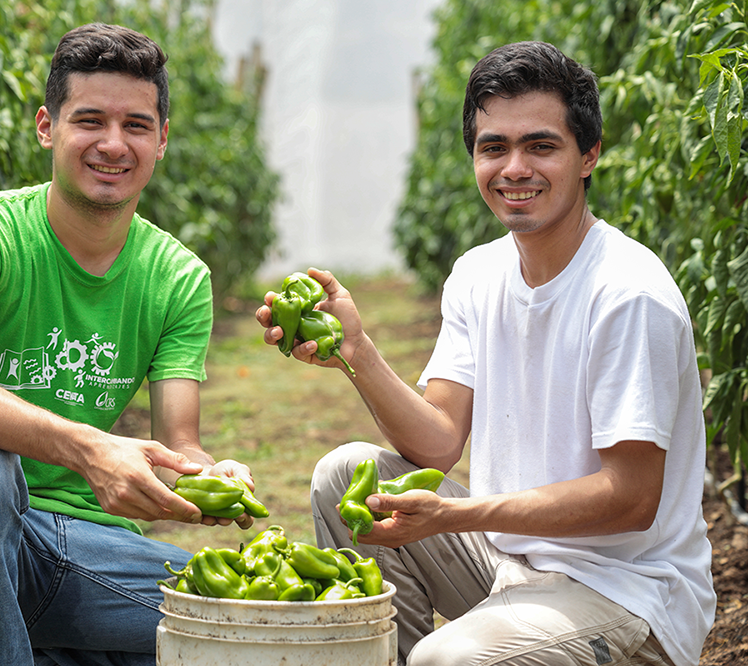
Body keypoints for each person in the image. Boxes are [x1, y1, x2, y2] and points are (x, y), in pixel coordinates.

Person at [257, 41, 714, 666]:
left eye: (541, 146)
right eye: (493, 147)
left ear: (589, 156)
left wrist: (453, 514)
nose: (514, 167)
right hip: (510, 564)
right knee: (343, 475)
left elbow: (631, 497)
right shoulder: (478, 273)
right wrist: (356, 350)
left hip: (627, 595)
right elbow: (441, 441)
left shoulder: (628, 293)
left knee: (450, 661)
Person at [0, 23, 257, 666]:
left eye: (135, 125)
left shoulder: (179, 277)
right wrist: (89, 447)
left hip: (82, 546)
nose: (112, 144)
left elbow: (178, 443)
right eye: (89, 120)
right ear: (47, 127)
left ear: (161, 138)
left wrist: (211, 476)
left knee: (243, 619)